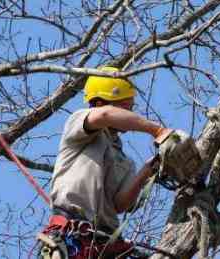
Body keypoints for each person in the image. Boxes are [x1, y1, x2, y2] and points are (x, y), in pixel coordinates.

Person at [42, 66, 173, 259]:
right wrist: (158, 131)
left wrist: (148, 169)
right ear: (101, 102)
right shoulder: (78, 125)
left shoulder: (124, 161)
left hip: (105, 244)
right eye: (126, 108)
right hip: (72, 238)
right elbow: (104, 115)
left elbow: (120, 204)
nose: (131, 114)